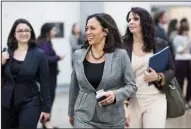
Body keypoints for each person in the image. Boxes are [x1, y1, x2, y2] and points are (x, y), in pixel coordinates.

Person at [68, 13, 137, 128]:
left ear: (105, 31)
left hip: (112, 119)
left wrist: (115, 94)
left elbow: (131, 86)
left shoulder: (120, 55)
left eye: (92, 28)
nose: (88, 32)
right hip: (83, 116)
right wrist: (71, 113)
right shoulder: (78, 55)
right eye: (87, 28)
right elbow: (74, 86)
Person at [123, 7, 175, 128]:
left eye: (135, 19)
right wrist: (122, 103)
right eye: (129, 19)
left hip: (156, 99)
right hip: (131, 101)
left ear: (145, 22)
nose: (131, 21)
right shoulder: (122, 46)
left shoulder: (160, 43)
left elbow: (172, 70)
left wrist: (157, 76)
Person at [1, 18, 51, 129]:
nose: (24, 33)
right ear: (14, 34)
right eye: (20, 31)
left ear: (31, 33)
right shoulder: (6, 52)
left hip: (30, 101)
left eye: (27, 30)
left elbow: (45, 83)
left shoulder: (39, 55)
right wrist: (1, 63)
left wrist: (46, 108)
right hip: (7, 103)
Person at [37, 23, 65, 129]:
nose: (55, 32)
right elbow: (46, 58)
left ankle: (46, 123)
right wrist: (58, 57)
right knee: (48, 99)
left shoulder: (46, 42)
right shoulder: (43, 42)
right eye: (53, 30)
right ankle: (46, 123)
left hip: (50, 75)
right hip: (47, 76)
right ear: (48, 31)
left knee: (48, 99)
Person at [172, 24, 191, 108]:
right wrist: (188, 42)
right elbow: (180, 51)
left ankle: (188, 100)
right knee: (180, 81)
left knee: (190, 81)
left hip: (188, 61)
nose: (187, 32)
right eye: (185, 30)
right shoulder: (177, 38)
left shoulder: (187, 38)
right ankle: (180, 102)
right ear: (182, 30)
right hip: (180, 61)